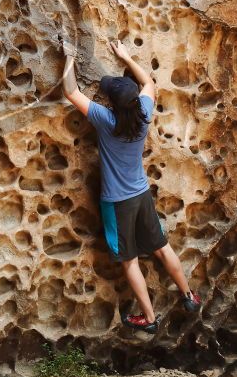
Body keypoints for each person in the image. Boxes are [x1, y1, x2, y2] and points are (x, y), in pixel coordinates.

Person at [61, 39, 201, 333]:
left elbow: (71, 91)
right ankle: (189, 296)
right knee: (162, 248)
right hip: (141, 194)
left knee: (129, 261)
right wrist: (127, 57)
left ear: (111, 103)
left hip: (117, 202)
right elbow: (148, 81)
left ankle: (149, 319)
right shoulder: (145, 113)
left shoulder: (106, 120)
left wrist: (69, 56)